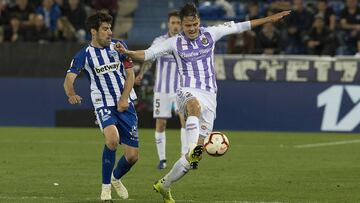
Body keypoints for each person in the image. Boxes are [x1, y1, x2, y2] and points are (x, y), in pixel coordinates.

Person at [116, 3, 290, 202]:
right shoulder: (174, 43)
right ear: (181, 25)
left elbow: (243, 25)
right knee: (193, 109)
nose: (192, 29)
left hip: (210, 97)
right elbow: (147, 54)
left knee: (190, 162)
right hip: (186, 91)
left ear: (199, 22)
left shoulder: (211, 33)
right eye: (188, 25)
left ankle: (164, 185)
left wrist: (269, 19)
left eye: (195, 24)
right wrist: (127, 53)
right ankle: (191, 148)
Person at [63, 12, 139, 202]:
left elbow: (130, 75)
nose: (110, 32)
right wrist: (71, 93)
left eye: (110, 28)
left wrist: (123, 99)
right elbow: (69, 79)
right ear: (93, 32)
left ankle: (115, 178)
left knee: (132, 157)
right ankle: (105, 191)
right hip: (103, 103)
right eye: (105, 29)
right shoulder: (84, 55)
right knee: (112, 140)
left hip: (125, 103)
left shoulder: (119, 47)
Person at [135, 10, 187, 170]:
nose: (176, 26)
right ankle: (162, 159)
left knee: (185, 122)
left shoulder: (186, 41)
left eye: (178, 23)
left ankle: (184, 157)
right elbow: (149, 59)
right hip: (162, 89)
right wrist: (141, 74)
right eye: (173, 23)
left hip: (181, 89)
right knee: (161, 124)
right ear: (168, 24)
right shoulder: (160, 40)